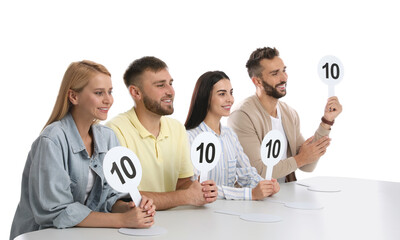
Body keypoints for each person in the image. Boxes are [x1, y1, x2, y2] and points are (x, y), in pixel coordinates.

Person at [10, 60, 156, 240]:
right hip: (42, 235)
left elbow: (109, 197)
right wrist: (122, 220)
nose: (108, 99)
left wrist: (130, 207)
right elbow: (56, 211)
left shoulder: (108, 137)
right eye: (98, 93)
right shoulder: (52, 140)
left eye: (110, 92)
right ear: (73, 96)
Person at [106, 56, 217, 210]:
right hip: (136, 226)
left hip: (177, 222)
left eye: (170, 84)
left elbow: (182, 183)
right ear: (136, 92)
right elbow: (124, 197)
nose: (170, 92)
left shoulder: (177, 128)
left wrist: (201, 190)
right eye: (160, 85)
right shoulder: (114, 130)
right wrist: (186, 196)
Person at [227, 47, 342, 182]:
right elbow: (258, 171)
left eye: (284, 70)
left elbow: (307, 165)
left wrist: (327, 121)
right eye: (275, 73)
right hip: (255, 199)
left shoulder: (289, 113)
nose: (284, 78)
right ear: (257, 81)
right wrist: (301, 159)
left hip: (285, 194)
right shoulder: (242, 115)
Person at [185, 71, 280, 200]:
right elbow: (198, 188)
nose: (230, 99)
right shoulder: (189, 138)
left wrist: (265, 185)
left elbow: (247, 173)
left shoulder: (229, 135)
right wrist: (249, 194)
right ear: (205, 97)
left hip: (230, 212)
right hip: (201, 215)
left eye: (231, 93)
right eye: (222, 94)